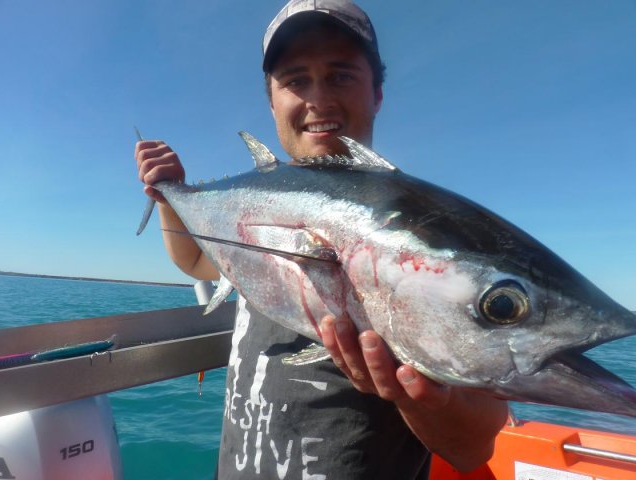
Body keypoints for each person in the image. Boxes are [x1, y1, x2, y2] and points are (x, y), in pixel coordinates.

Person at [135, 1, 508, 478]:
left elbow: (473, 447)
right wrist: (169, 194)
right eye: (295, 79)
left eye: (341, 76)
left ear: (377, 93)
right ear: (271, 99)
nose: (318, 98)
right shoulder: (249, 205)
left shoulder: (421, 228)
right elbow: (197, 264)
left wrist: (411, 393)